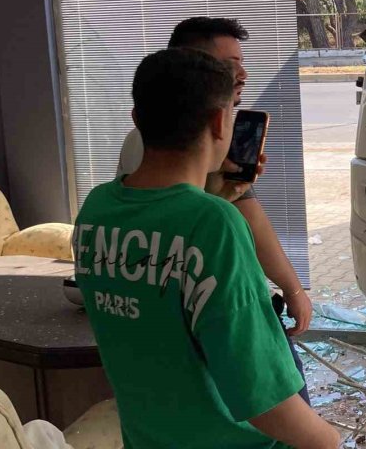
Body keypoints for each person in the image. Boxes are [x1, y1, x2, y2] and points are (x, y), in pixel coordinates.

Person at [75, 48, 339, 449]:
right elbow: (262, 397)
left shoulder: (96, 209)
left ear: (137, 121)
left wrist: (214, 196)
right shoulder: (213, 224)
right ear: (220, 122)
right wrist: (329, 440)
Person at [116, 18, 312, 403]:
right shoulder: (169, 147)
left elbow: (191, 222)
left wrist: (228, 192)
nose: (241, 74)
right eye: (226, 65)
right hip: (217, 319)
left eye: (241, 62)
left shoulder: (108, 199)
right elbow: (183, 231)